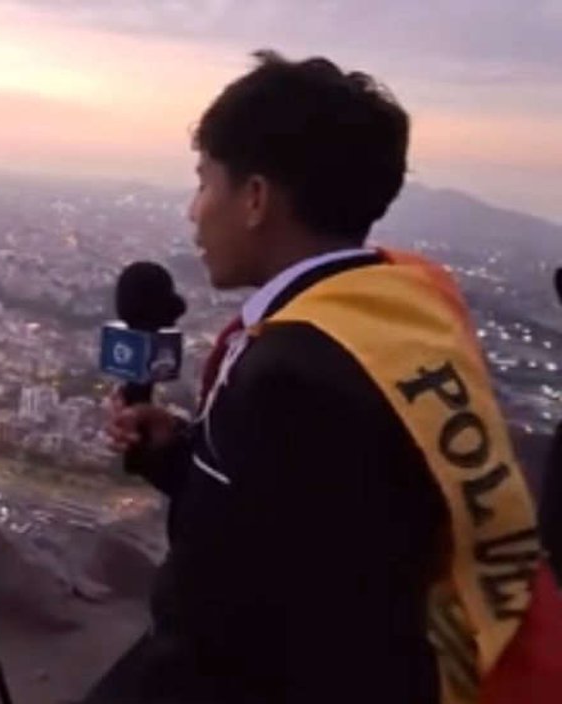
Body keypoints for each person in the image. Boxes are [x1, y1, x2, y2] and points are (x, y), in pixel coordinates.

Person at [90, 50, 544, 704]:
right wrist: (181, 454)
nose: (193, 211)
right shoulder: (403, 317)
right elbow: (302, 523)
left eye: (203, 183)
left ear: (253, 199)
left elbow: (225, 622)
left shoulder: (293, 375)